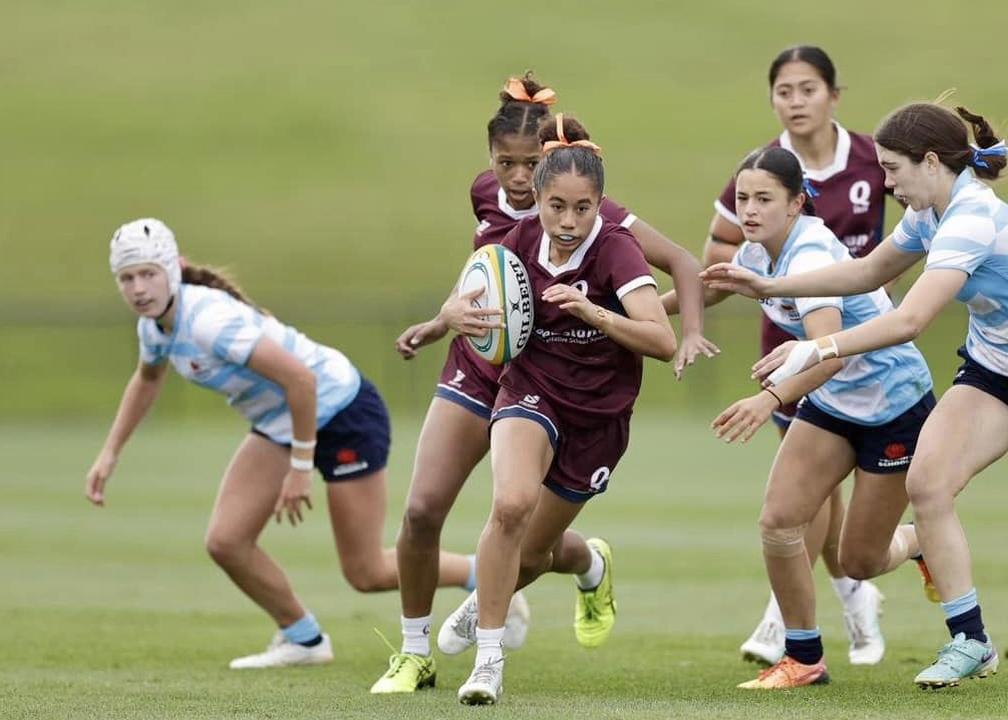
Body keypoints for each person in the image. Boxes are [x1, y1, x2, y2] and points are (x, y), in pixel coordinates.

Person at [704, 102, 1008, 689]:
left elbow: (910, 320)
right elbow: (867, 272)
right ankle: (969, 640)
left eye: (894, 169)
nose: (887, 182)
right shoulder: (930, 211)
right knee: (928, 484)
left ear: (930, 162)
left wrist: (815, 349)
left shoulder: (970, 217)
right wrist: (772, 284)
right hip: (995, 372)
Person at [370, 76, 713, 694]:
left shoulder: (596, 217)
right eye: (508, 163)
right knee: (426, 510)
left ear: (555, 162)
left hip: (575, 384)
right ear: (490, 161)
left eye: (532, 165)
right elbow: (481, 277)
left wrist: (677, 329)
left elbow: (676, 271)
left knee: (531, 543)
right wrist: (440, 322)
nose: (521, 178)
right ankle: (415, 653)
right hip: (492, 368)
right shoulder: (491, 200)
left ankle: (582, 562)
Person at [88, 218, 408, 669]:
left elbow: (301, 380)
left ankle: (481, 576)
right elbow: (147, 380)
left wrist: (300, 469)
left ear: (173, 269)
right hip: (282, 422)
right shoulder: (154, 327)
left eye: (148, 274)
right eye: (127, 278)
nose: (139, 288)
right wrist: (109, 453)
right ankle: (304, 639)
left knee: (367, 571)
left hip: (343, 409)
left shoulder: (208, 322)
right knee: (226, 541)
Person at [698, 45, 926, 666]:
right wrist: (614, 312)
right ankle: (800, 648)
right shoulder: (757, 202)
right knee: (786, 517)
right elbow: (709, 277)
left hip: (876, 384)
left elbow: (830, 346)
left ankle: (911, 549)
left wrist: (769, 394)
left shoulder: (822, 232)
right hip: (804, 372)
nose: (749, 209)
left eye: (807, 88)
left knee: (857, 553)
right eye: (784, 90)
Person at [438, 113, 676, 705]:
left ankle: (576, 568)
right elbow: (467, 294)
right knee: (510, 505)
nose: (569, 222)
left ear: (600, 204)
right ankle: (489, 662)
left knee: (537, 552)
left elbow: (661, 340)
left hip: (599, 419)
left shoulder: (617, 252)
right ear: (538, 201)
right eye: (556, 207)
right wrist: (453, 316)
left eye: (583, 208)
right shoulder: (514, 244)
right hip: (532, 390)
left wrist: (591, 311)